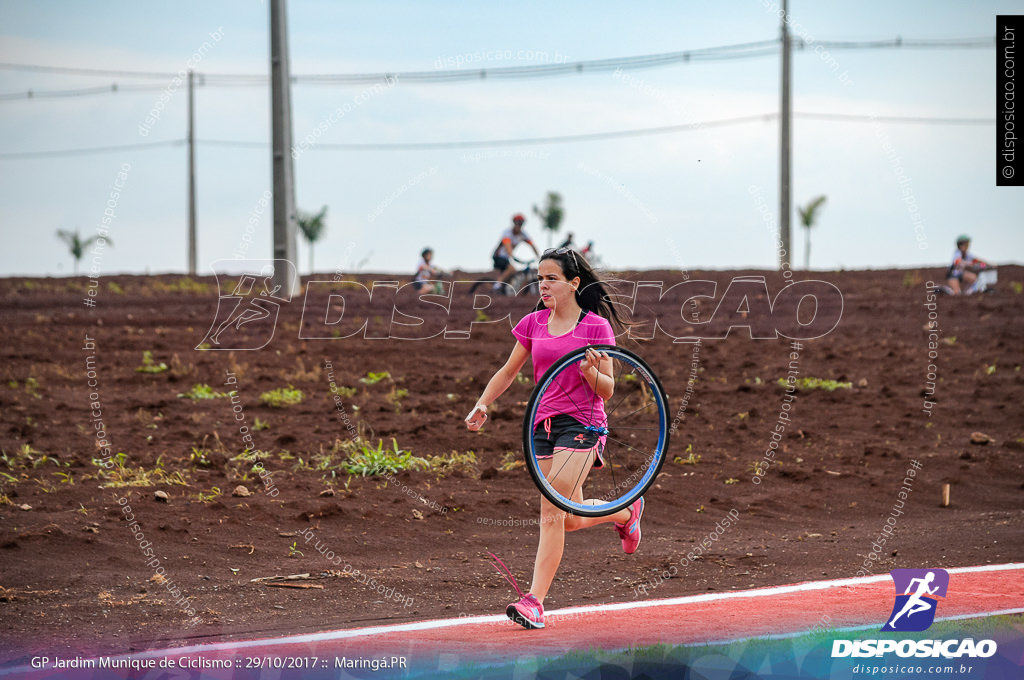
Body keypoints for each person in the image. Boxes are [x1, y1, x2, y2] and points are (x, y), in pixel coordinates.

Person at [465, 247, 644, 630]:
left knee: (551, 511)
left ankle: (534, 602)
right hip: (542, 427)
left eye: (551, 278)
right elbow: (509, 370)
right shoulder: (533, 323)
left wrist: (590, 371)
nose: (542, 285)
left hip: (583, 424)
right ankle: (627, 511)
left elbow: (608, 389)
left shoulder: (595, 327)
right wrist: (483, 403)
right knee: (570, 520)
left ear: (573, 283)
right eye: (540, 278)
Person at [492, 214, 541, 287]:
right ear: (514, 223)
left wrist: (539, 257)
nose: (519, 225)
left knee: (512, 275)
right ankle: (496, 286)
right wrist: (512, 256)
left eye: (521, 224)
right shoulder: (507, 233)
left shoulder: (523, 234)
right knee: (511, 269)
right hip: (499, 256)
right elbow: (507, 245)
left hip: (506, 258)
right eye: (518, 223)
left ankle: (503, 289)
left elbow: (532, 246)